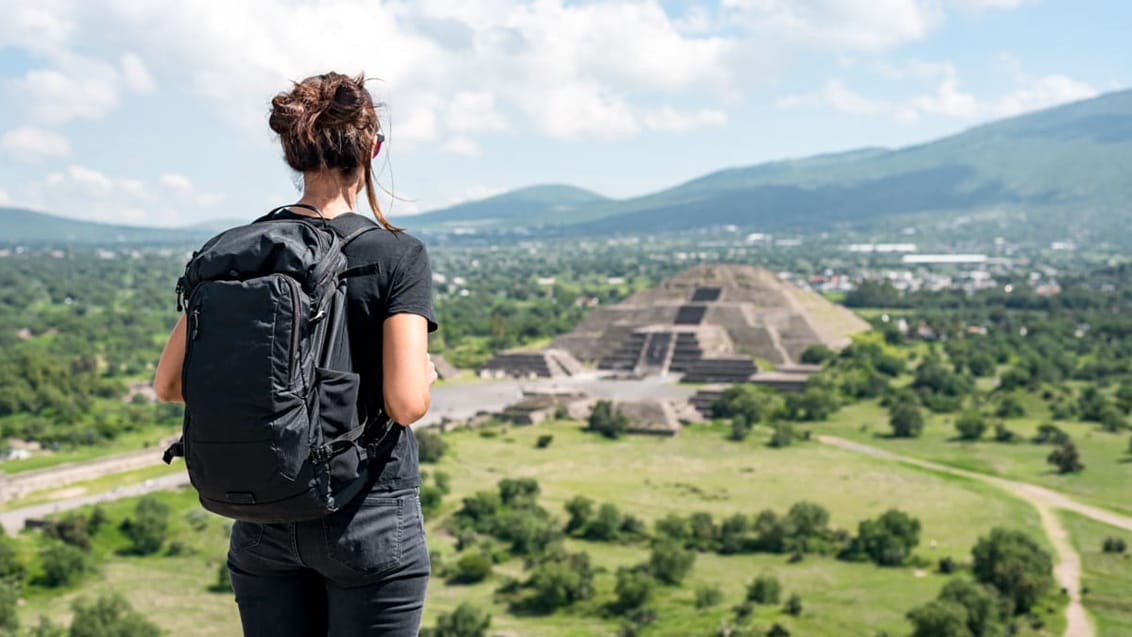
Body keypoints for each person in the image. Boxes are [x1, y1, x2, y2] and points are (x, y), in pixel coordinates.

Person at [153, 71, 437, 636]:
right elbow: (406, 404)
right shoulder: (397, 254)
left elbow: (168, 385)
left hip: (263, 516)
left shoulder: (239, 249)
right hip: (368, 519)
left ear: (294, 153)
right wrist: (424, 371)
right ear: (373, 149)